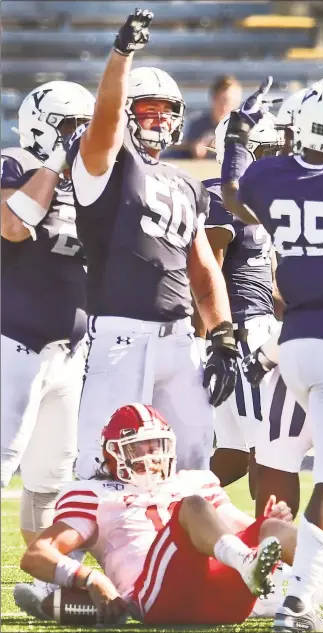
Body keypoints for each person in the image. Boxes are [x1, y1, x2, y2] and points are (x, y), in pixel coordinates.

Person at [65, 8, 239, 479]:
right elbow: (103, 124)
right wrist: (122, 56)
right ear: (127, 114)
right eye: (147, 109)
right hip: (120, 337)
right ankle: (67, 555)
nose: (159, 119)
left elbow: (202, 268)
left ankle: (185, 555)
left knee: (192, 464)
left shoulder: (186, 182)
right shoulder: (107, 163)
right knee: (103, 466)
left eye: (167, 111)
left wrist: (222, 334)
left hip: (180, 339)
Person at [14, 403, 311, 626]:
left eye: (157, 445)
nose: (152, 455)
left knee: (272, 527)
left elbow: (237, 525)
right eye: (139, 447)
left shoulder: (195, 479)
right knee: (192, 506)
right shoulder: (96, 494)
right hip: (157, 597)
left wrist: (266, 525)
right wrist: (91, 578)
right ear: (112, 452)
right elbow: (37, 554)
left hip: (225, 599)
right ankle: (247, 564)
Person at [221, 76, 323, 632]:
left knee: (285, 463)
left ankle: (301, 586)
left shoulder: (273, 175)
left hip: (294, 344)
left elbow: (233, 192)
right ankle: (300, 600)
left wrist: (239, 138)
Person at [1, 81, 94, 551]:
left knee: (51, 474)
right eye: (71, 126)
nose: (79, 136)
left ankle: (47, 576)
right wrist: (54, 162)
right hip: (15, 340)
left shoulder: (86, 182)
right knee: (2, 455)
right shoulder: (14, 162)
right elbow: (12, 226)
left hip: (70, 350)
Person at [193, 112, 283, 495]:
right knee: (268, 450)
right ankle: (268, 545)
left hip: (261, 328)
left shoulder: (262, 203)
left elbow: (268, 284)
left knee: (232, 454)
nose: (277, 161)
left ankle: (167, 513)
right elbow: (203, 269)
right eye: (267, 152)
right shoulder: (219, 198)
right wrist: (208, 337)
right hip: (241, 333)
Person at [182, 75, 242, 159]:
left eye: (234, 102)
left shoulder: (245, 128)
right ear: (213, 99)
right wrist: (195, 152)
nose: (227, 106)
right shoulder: (198, 127)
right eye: (223, 101)